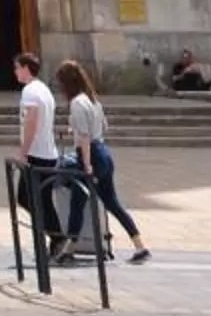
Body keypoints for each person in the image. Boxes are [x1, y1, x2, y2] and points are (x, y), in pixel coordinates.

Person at [55, 57, 149, 264]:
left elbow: (84, 137)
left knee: (78, 200)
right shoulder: (93, 100)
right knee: (112, 202)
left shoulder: (77, 103)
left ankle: (69, 247)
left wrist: (87, 164)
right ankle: (139, 245)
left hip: (91, 156)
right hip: (104, 152)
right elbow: (103, 127)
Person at [13, 51, 66, 259]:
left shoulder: (30, 92)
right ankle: (53, 237)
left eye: (17, 68)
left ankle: (55, 236)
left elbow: (31, 122)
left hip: (37, 154)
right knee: (40, 199)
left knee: (29, 198)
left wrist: (23, 152)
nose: (16, 72)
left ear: (26, 68)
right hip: (48, 152)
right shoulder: (43, 89)